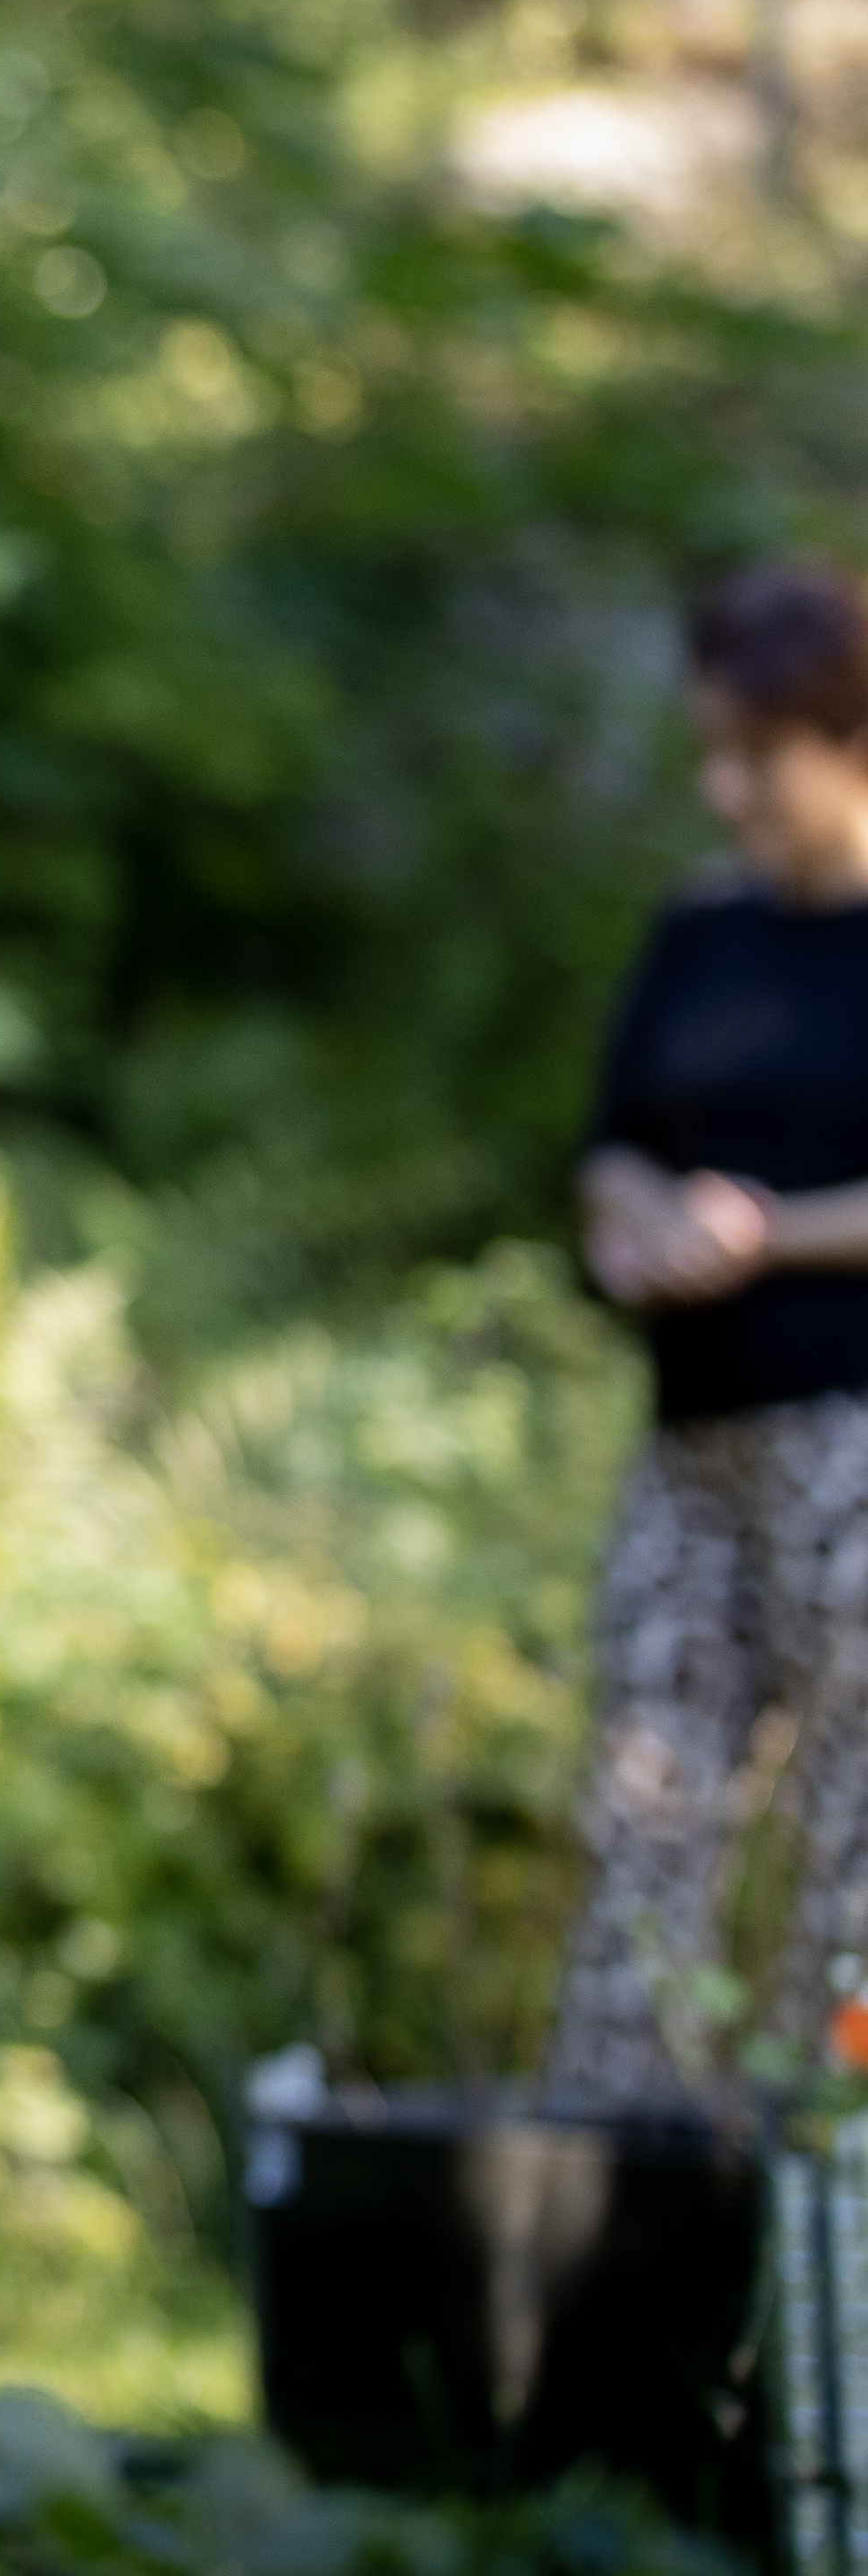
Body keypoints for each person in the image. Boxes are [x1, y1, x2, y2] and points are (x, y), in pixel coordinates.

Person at [549, 553, 868, 2100]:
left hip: (849, 1450)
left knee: (853, 1852)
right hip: (690, 1452)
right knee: (643, 1824)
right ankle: (611, 2179)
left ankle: (826, 2186)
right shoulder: (701, 928)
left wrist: (763, 1232)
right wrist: (639, 1221)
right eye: (710, 752)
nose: (723, 788)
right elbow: (613, 1142)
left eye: (756, 755)